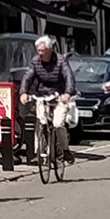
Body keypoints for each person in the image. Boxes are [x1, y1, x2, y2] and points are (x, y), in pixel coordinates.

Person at [16, 36, 72, 165]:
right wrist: (23, 92)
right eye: (38, 50)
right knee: (40, 122)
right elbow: (28, 77)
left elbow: (69, 77)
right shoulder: (35, 62)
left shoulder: (60, 61)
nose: (40, 53)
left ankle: (65, 150)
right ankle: (39, 152)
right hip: (42, 95)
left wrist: (68, 93)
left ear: (50, 50)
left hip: (59, 95)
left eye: (43, 51)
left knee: (58, 124)